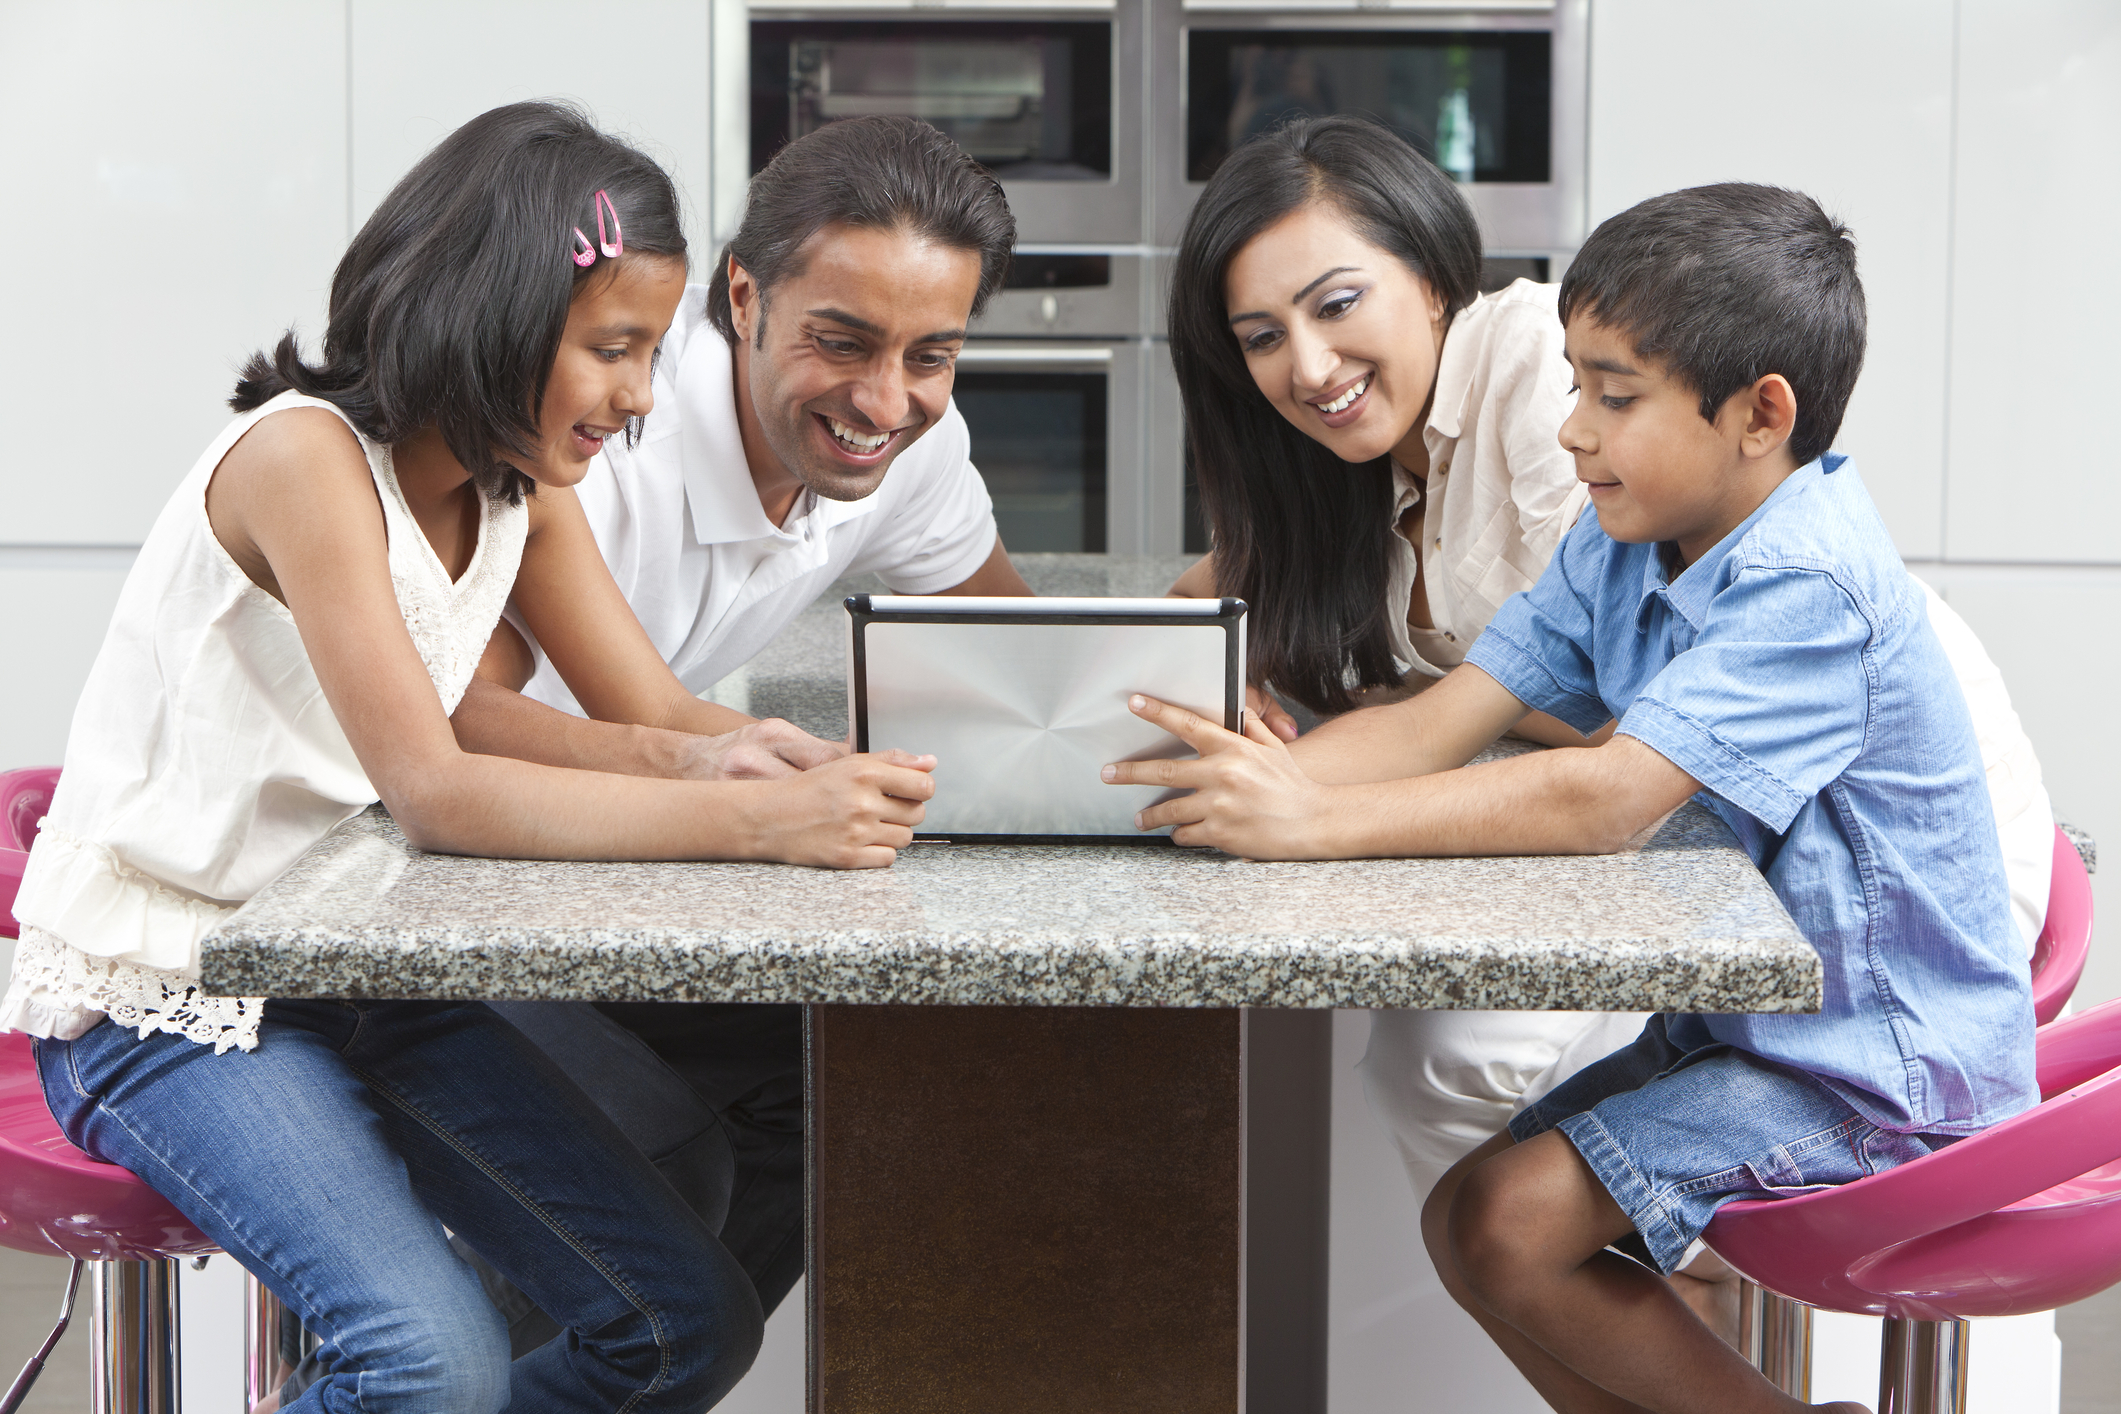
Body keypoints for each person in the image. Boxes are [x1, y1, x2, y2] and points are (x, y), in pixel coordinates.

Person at [3, 102, 943, 1413]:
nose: (638, 395)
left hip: (355, 967)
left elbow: (655, 709)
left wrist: (765, 758)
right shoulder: (304, 460)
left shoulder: (519, 492)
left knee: (681, 1325)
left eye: (651, 352)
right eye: (612, 348)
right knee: (428, 1364)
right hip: (171, 989)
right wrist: (760, 824)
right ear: (493, 316)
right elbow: (433, 786)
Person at [1110, 182, 2033, 1413]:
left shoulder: (1813, 584)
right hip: (1750, 1033)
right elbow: (1448, 720)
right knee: (1470, 1224)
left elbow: (1608, 796)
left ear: (1760, 415)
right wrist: (1232, 783)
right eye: (1574, 389)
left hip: (1878, 1068)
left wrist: (1312, 822)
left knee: (1503, 1220)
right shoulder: (1626, 532)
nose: (1574, 432)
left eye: (1614, 396)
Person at [436, 114, 1033, 1345]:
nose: (885, 399)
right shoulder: (600, 437)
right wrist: (733, 786)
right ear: (745, 297)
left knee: (860, 1084)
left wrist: (1179, 696)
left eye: (934, 354)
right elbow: (461, 720)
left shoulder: (908, 443)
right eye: (844, 340)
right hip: (457, 887)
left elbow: (1015, 659)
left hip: (618, 872)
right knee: (647, 1168)